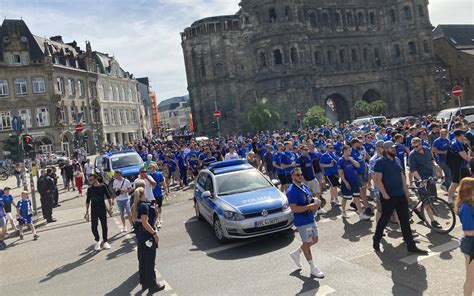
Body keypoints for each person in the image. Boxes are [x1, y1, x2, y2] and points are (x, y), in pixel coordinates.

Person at [372, 141, 428, 254]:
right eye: (392, 148)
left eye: (394, 148)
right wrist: (384, 194)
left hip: (400, 194)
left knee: (405, 220)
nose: (394, 150)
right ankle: (376, 239)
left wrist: (406, 191)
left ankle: (411, 245)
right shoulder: (380, 162)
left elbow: (402, 175)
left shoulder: (397, 160)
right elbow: (378, 180)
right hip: (388, 196)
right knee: (385, 218)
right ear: (385, 149)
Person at [287, 168, 325, 279]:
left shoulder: (304, 186)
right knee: (307, 243)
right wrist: (309, 206)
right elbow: (293, 208)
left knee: (315, 239)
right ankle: (313, 267)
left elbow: (309, 198)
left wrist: (315, 201)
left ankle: (297, 252)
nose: (300, 176)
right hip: (302, 222)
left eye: (301, 174)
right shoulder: (292, 191)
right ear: (292, 177)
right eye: (297, 175)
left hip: (310, 218)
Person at [131, 187, 165, 293]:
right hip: (147, 237)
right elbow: (145, 223)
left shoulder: (135, 205)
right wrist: (154, 234)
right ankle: (152, 286)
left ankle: (144, 283)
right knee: (150, 262)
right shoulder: (144, 206)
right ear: (142, 195)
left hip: (140, 237)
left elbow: (133, 220)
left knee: (142, 260)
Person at [338, 146, 371, 221]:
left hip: (354, 181)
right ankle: (343, 211)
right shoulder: (341, 160)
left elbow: (358, 165)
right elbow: (341, 173)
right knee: (345, 198)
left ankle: (361, 214)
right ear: (344, 151)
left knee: (356, 197)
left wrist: (350, 159)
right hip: (347, 182)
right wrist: (346, 182)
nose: (350, 151)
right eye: (349, 150)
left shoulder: (351, 158)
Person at [454, 178, 474, 296]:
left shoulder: (469, 205)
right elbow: (469, 231)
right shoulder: (466, 208)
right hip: (471, 244)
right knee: (471, 277)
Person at [85, 174, 113, 251]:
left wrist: (110, 206)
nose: (89, 181)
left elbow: (108, 196)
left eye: (91, 180)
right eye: (89, 180)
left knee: (104, 226)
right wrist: (87, 211)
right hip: (93, 209)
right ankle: (97, 240)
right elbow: (87, 200)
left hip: (102, 208)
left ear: (96, 179)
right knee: (93, 226)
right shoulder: (90, 189)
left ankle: (105, 242)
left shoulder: (102, 186)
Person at [448, 130, 472, 205]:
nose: (464, 136)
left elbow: (468, 153)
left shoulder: (460, 142)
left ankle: (467, 196)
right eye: (463, 135)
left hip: (463, 166)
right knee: (455, 183)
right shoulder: (456, 143)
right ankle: (449, 199)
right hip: (458, 167)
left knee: (468, 181)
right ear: (459, 135)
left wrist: (467, 144)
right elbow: (466, 157)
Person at [149, 164, 168, 228]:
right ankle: (156, 220)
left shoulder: (159, 174)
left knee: (159, 207)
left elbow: (163, 183)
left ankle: (159, 218)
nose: (149, 169)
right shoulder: (148, 176)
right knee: (154, 207)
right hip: (151, 195)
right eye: (149, 168)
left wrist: (166, 191)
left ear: (154, 168)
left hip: (158, 193)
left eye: (150, 168)